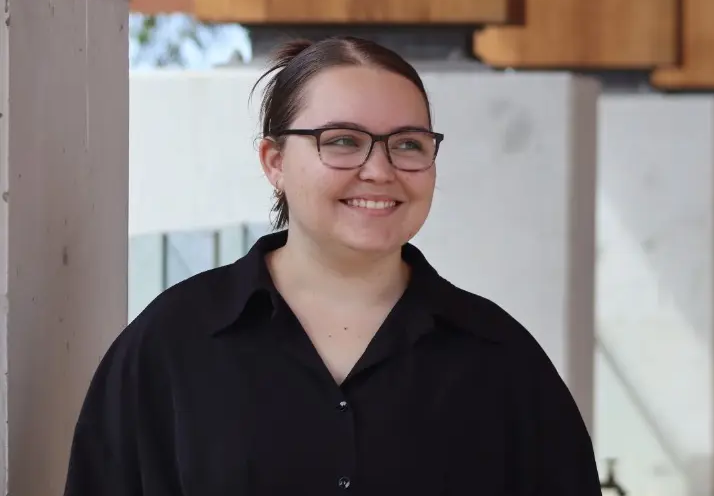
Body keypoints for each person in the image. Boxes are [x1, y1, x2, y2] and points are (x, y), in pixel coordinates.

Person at [64, 36, 602, 495]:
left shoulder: (501, 360)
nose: (379, 170)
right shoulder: (170, 344)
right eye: (342, 142)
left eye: (407, 145)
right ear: (274, 162)